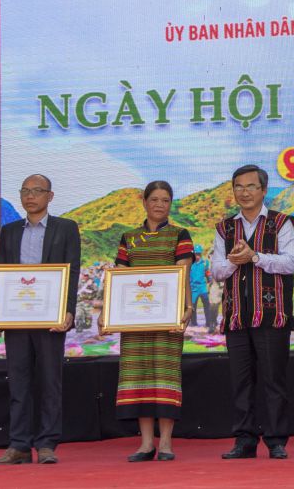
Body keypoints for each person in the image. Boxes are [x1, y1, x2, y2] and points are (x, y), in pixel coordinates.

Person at [0, 174, 81, 465]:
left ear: (49, 197)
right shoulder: (10, 231)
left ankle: (48, 444)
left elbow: (72, 270)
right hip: (16, 318)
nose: (30, 196)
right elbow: (2, 274)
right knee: (19, 382)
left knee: (50, 382)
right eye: (25, 191)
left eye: (37, 191)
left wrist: (68, 310)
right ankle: (19, 445)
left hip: (50, 317)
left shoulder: (65, 228)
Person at [97, 181, 194, 462]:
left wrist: (186, 308)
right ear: (144, 202)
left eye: (166, 200)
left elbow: (182, 274)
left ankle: (165, 443)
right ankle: (145, 443)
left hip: (168, 318)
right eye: (154, 199)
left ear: (170, 204)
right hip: (134, 320)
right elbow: (120, 277)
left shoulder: (180, 234)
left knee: (165, 376)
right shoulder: (129, 237)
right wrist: (107, 312)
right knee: (138, 377)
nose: (160, 205)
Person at [211, 165, 294, 460]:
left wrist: (255, 257)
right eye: (238, 186)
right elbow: (217, 270)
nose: (244, 192)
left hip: (272, 315)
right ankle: (244, 440)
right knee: (241, 381)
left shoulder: (282, 223)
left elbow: (290, 263)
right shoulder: (224, 228)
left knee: (274, 380)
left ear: (263, 190)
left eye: (250, 186)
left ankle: (275, 440)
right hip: (236, 316)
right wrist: (237, 261)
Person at [189, 244, 213, 330]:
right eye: (196, 254)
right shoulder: (190, 264)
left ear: (201, 254)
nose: (197, 256)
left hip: (202, 287)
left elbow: (208, 274)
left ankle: (208, 323)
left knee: (207, 305)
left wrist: (210, 280)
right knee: (192, 306)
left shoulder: (205, 263)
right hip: (193, 288)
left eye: (199, 254)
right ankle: (194, 322)